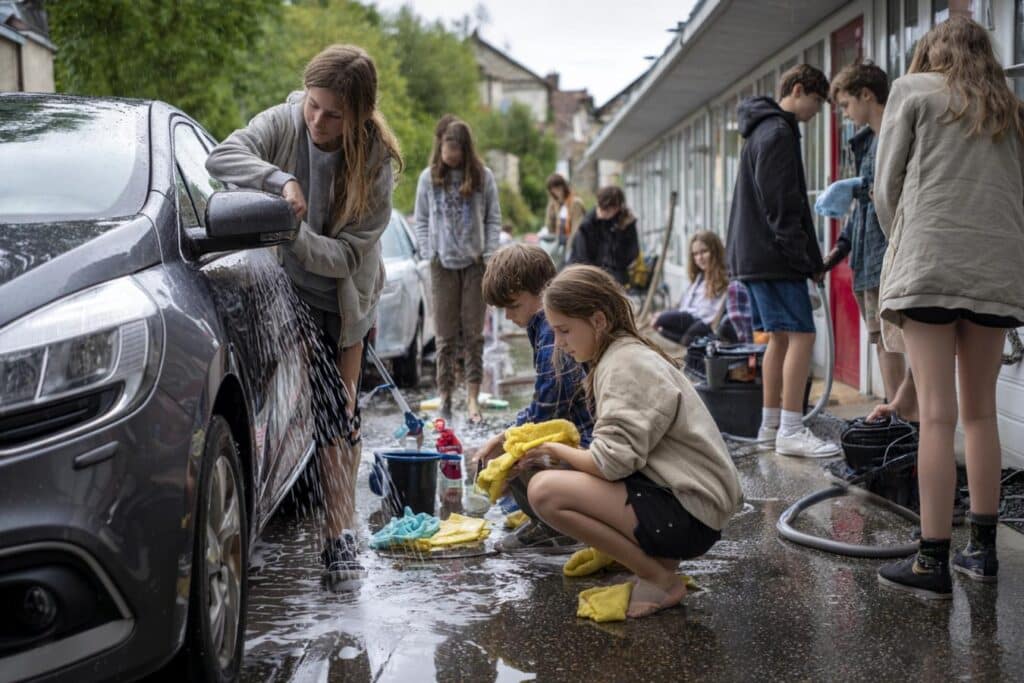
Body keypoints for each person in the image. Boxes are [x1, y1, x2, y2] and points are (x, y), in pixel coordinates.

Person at [206, 44, 402, 585]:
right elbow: (221, 156)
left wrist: (294, 233)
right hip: (279, 292)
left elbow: (345, 258)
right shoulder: (286, 121)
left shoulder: (377, 161)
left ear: (359, 114)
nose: (318, 120)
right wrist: (279, 181)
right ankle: (294, 511)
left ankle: (340, 535)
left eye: (333, 113)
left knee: (339, 417)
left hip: (343, 302)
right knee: (291, 413)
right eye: (314, 105)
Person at [872, 17, 1024, 599]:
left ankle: (931, 560)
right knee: (981, 413)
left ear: (931, 53)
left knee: (937, 415)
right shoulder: (1010, 108)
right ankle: (983, 554)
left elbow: (886, 188)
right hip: (996, 269)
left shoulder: (913, 91)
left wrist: (906, 243)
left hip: (929, 264)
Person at [513, 265, 743, 618]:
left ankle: (659, 578)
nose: (559, 342)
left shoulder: (624, 365)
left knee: (544, 491)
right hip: (687, 505)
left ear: (599, 320)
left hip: (690, 514)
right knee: (560, 479)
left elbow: (611, 464)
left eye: (564, 330)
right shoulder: (621, 353)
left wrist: (553, 451)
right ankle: (658, 564)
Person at [725, 64, 840, 458]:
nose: (817, 111)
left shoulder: (761, 130)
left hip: (754, 255)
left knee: (778, 338)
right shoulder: (776, 133)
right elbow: (783, 209)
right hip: (773, 256)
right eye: (817, 101)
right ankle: (792, 428)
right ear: (797, 89)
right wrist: (806, 260)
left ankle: (770, 426)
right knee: (802, 336)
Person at [476, 244, 595, 552]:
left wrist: (503, 442)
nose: (509, 316)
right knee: (510, 444)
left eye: (513, 305)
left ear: (540, 293)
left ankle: (558, 526)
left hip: (591, 445)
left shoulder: (550, 338)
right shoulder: (543, 327)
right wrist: (501, 435)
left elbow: (544, 415)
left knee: (515, 455)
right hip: (586, 438)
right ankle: (548, 519)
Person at [822, 61, 917, 419]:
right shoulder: (865, 145)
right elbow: (860, 209)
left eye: (846, 105)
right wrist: (837, 252)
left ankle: (912, 423)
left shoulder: (900, 136)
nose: (846, 114)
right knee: (882, 341)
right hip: (866, 260)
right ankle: (897, 420)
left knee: (906, 343)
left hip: (895, 258)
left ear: (866, 94)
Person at [415, 118, 502, 422]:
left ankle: (473, 399)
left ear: (465, 149)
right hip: (442, 265)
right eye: (445, 149)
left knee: (474, 335)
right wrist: (428, 254)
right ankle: (445, 396)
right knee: (444, 336)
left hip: (475, 264)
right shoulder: (428, 178)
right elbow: (421, 219)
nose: (449, 155)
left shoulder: (482, 177)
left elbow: (493, 218)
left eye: (454, 149)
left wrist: (490, 255)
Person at [654, 231, 728, 346]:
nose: (700, 258)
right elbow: (684, 307)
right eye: (695, 254)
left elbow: (713, 315)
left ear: (715, 252)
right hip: (689, 319)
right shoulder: (698, 278)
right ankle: (684, 340)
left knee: (663, 320)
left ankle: (685, 340)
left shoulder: (724, 279)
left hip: (705, 323)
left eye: (704, 252)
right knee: (662, 327)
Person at [568, 185, 639, 286]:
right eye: (599, 207)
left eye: (606, 210)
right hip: (587, 275)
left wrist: (619, 233)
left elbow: (632, 253)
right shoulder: (588, 224)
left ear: (617, 208)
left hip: (615, 276)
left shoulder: (626, 222)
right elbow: (581, 256)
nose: (600, 212)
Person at [544, 173, 586, 268]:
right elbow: (550, 228)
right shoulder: (557, 204)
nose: (555, 192)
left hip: (573, 247)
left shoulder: (575, 203)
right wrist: (550, 207)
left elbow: (576, 229)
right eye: (552, 189)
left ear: (564, 187)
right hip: (560, 245)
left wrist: (570, 249)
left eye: (557, 188)